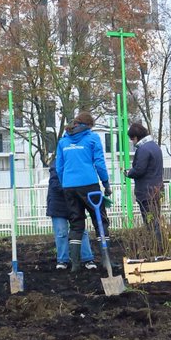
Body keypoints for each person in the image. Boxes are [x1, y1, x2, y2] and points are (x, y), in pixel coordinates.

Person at [55, 111, 111, 272]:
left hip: (69, 187)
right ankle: (107, 261)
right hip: (89, 185)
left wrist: (65, 182)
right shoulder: (92, 138)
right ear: (89, 125)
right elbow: (99, 162)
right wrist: (106, 184)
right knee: (100, 220)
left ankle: (75, 265)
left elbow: (59, 167)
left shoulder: (63, 141)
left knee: (76, 223)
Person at [46, 157, 96, 271]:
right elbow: (55, 184)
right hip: (58, 204)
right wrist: (74, 190)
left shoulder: (78, 163)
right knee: (61, 233)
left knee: (81, 231)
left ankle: (87, 259)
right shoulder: (56, 165)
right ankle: (62, 260)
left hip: (74, 204)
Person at [124, 122, 164, 243]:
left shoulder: (143, 149)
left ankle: (156, 246)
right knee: (155, 219)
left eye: (132, 139)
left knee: (150, 222)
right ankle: (159, 246)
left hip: (146, 192)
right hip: (157, 189)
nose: (132, 142)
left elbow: (140, 169)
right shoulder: (155, 147)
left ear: (136, 137)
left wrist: (129, 173)